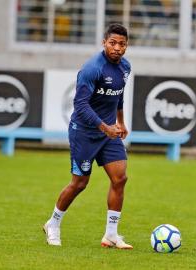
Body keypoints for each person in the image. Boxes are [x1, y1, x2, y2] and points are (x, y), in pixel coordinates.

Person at [43, 23, 133, 249]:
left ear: (126, 46)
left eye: (122, 44)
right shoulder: (92, 68)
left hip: (108, 131)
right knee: (80, 182)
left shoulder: (125, 68)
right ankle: (53, 223)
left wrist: (120, 122)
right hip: (83, 132)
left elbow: (118, 96)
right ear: (104, 43)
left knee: (120, 178)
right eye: (112, 43)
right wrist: (106, 127)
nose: (117, 48)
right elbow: (80, 105)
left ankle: (111, 234)